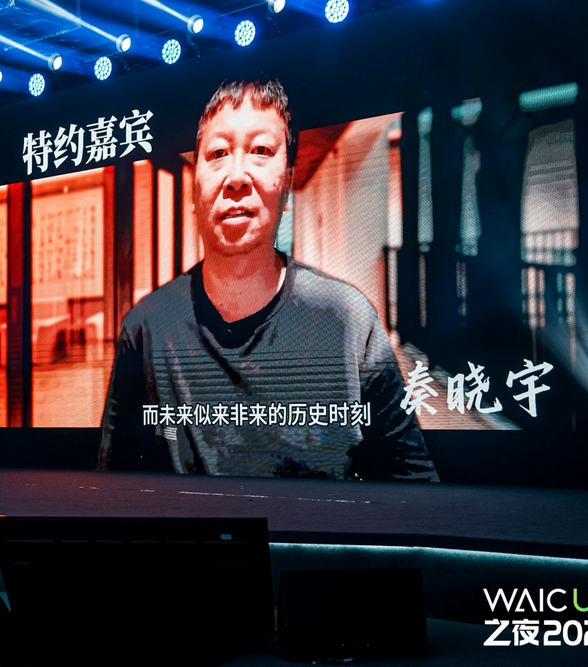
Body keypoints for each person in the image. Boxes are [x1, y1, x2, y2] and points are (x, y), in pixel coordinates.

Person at [98, 80, 438, 481]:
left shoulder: (347, 320)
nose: (236, 177)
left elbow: (412, 483)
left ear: (287, 184)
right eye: (218, 153)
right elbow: (114, 487)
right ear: (194, 189)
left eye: (260, 150)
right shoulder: (148, 327)